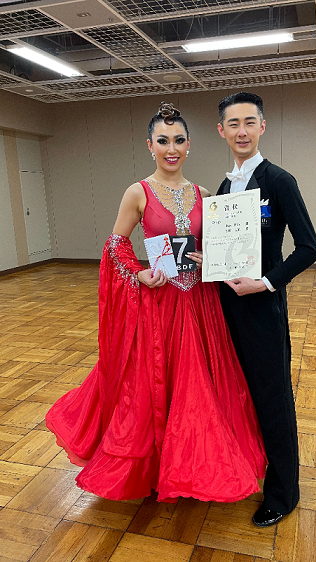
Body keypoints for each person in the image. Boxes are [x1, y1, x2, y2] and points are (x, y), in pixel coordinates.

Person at [46, 102, 267, 503]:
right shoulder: (138, 192)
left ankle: (195, 467)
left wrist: (212, 260)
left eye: (179, 140)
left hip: (200, 305)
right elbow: (116, 245)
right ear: (150, 145)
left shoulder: (203, 194)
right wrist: (139, 273)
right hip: (160, 304)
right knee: (154, 385)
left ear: (189, 145)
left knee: (200, 388)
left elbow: (220, 248)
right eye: (163, 141)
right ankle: (154, 468)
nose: (172, 148)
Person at [216, 92, 316, 526]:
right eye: (233, 124)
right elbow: (226, 248)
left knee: (273, 399)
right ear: (221, 131)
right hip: (226, 308)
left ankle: (283, 493)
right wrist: (207, 261)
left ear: (262, 126)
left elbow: (309, 247)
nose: (241, 131)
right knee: (239, 394)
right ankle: (247, 469)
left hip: (262, 309)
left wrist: (265, 282)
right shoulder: (225, 187)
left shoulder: (279, 181)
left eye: (249, 122)